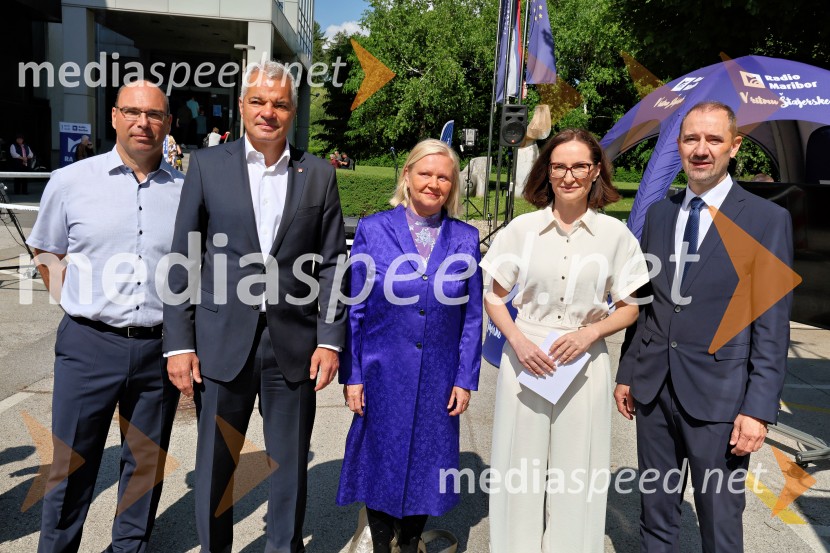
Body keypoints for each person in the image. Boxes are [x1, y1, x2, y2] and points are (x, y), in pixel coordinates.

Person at [164, 60, 347, 553]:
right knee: (217, 465)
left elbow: (331, 263)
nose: (269, 112)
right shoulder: (206, 165)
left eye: (280, 103)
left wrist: (330, 338)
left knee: (288, 466)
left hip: (295, 345)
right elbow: (183, 258)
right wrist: (178, 343)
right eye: (259, 101)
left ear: (292, 111)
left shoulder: (319, 175)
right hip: (221, 343)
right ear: (242, 105)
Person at [614, 101, 794, 552]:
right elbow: (648, 302)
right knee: (655, 515)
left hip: (721, 400)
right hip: (654, 391)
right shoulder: (660, 215)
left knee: (719, 522)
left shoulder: (767, 220)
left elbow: (771, 325)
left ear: (734, 147)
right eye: (691, 138)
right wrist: (628, 371)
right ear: (679, 146)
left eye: (713, 139)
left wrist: (758, 409)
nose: (701, 149)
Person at [26, 80, 183, 552]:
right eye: (132, 112)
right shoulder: (71, 182)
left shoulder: (186, 191)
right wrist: (78, 302)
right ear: (113, 116)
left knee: (144, 466)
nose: (143, 122)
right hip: (88, 344)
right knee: (71, 465)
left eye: (154, 114)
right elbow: (45, 249)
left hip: (158, 347)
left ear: (168, 124)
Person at [482, 129, 649, 553]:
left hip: (584, 361)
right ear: (547, 171)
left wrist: (591, 332)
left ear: (595, 172)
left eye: (579, 166)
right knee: (517, 469)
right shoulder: (521, 230)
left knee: (579, 472)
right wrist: (517, 342)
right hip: (527, 357)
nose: (569, 175)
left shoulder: (616, 235)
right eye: (559, 166)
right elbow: (494, 296)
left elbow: (630, 306)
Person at [337, 139, 483, 553]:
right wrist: (355, 375)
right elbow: (356, 309)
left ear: (452, 186)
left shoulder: (465, 238)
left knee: (427, 462)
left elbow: (472, 317)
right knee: (380, 460)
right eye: (426, 173)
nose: (434, 183)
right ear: (407, 175)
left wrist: (464, 377)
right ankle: (382, 544)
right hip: (384, 370)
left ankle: (412, 541)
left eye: (444, 177)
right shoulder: (374, 229)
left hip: (439, 373)